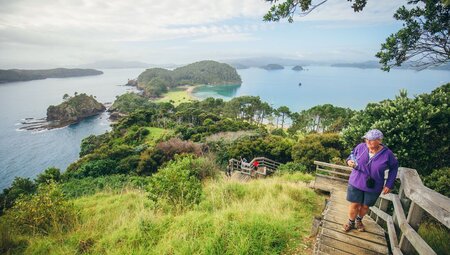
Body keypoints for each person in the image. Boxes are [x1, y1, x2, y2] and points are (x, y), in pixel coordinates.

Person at [343, 129, 398, 232]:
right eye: (366, 139)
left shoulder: (387, 154)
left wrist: (389, 184)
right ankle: (351, 222)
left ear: (379, 141)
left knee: (365, 206)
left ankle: (359, 220)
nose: (368, 142)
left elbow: (394, 168)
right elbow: (351, 156)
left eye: (371, 140)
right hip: (356, 181)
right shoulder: (361, 147)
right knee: (354, 204)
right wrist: (349, 161)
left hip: (374, 185)